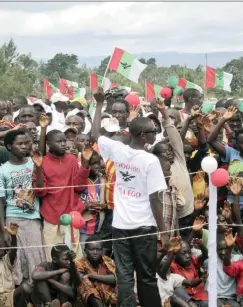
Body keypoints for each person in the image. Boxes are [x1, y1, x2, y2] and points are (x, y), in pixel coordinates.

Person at [91, 87, 168, 307]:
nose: (155, 134)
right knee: (146, 276)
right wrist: (163, 233)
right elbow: (155, 199)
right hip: (143, 227)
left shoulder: (118, 150)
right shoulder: (150, 161)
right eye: (153, 131)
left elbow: (96, 134)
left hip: (120, 225)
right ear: (144, 136)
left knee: (124, 275)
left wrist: (98, 105)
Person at [0, 129, 46, 282]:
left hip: (33, 216)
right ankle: (19, 292)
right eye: (20, 144)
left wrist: (38, 167)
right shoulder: (2, 170)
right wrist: (4, 229)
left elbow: (41, 187)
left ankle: (36, 290)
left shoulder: (34, 163)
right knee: (17, 256)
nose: (24, 146)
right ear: (10, 147)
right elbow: (0, 201)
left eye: (26, 143)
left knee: (36, 255)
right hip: (13, 216)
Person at [33, 129, 91, 261]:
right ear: (48, 143)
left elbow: (79, 186)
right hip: (50, 216)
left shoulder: (71, 160)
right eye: (59, 141)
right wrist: (38, 167)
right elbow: (40, 192)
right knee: (52, 257)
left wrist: (85, 163)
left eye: (64, 140)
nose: (63, 144)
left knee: (75, 258)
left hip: (71, 216)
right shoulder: (43, 161)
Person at [154, 99, 194, 239]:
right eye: (165, 151)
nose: (169, 153)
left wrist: (165, 114)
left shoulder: (179, 160)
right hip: (168, 215)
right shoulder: (157, 169)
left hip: (187, 213)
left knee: (185, 244)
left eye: (170, 150)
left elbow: (175, 137)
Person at [0, 224, 32, 307]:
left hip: (8, 298)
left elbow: (13, 253)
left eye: (0, 247)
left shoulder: (7, 260)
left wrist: (13, 236)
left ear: (4, 247)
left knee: (27, 287)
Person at [74, 236, 117, 307]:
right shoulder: (79, 263)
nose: (95, 252)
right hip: (89, 301)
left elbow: (115, 278)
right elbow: (80, 279)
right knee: (84, 281)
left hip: (109, 297)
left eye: (98, 249)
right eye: (91, 249)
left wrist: (92, 275)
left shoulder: (108, 261)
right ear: (85, 250)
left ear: (102, 250)